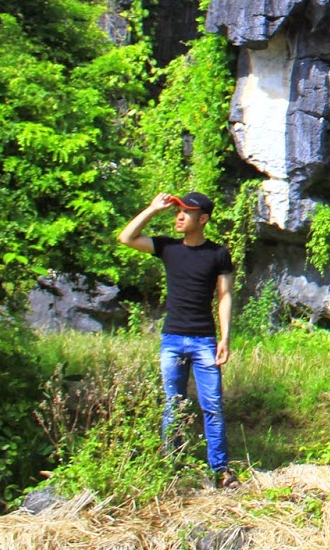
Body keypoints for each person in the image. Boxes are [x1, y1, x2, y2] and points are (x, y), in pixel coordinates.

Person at [118, 191, 239, 488]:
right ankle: (171, 468)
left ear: (204, 219)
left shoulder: (218, 253)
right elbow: (126, 237)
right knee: (174, 405)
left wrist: (225, 338)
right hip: (172, 339)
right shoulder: (167, 247)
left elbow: (225, 296)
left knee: (212, 405)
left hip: (204, 341)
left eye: (186, 212)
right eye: (177, 212)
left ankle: (220, 471)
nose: (179, 217)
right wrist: (151, 209)